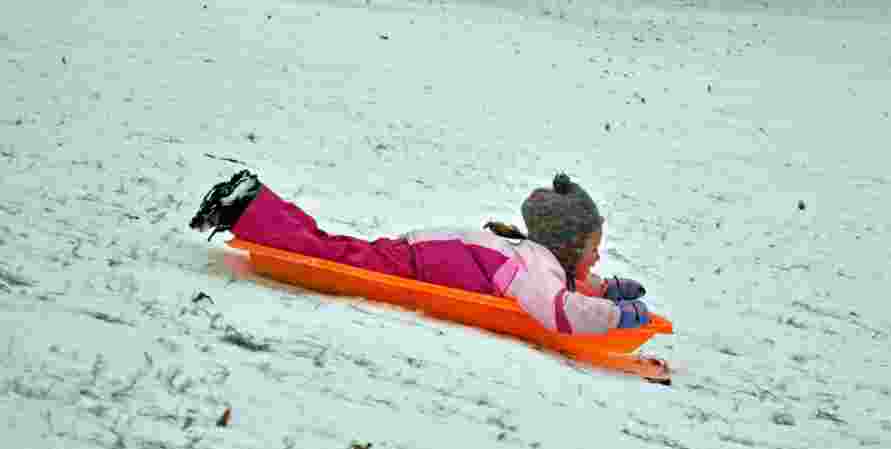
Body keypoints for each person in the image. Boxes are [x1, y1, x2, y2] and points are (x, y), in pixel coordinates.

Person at [189, 170, 650, 335]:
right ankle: (247, 206)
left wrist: (607, 291)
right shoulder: (535, 267)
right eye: (592, 252)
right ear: (566, 247)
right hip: (415, 262)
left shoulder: (541, 258)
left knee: (332, 245)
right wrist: (617, 317)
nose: (596, 260)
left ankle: (253, 202)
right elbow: (559, 313)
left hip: (425, 251)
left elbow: (568, 287)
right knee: (326, 254)